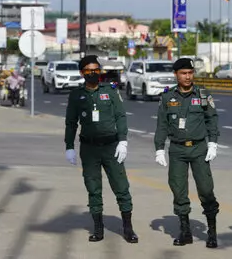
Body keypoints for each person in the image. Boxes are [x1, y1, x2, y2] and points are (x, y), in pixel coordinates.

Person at [64, 55, 138, 244]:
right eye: (89, 71)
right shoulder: (76, 95)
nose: (93, 73)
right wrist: (69, 146)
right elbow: (71, 123)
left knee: (121, 187)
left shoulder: (111, 91)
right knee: (93, 189)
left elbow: (121, 116)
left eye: (96, 70)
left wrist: (123, 141)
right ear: (82, 73)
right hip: (89, 149)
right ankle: (98, 228)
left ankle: (128, 228)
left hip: (111, 147)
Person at [154, 58, 220, 248]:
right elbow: (162, 125)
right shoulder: (167, 97)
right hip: (177, 149)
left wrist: (213, 143)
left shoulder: (202, 94)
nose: (188, 76)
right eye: (183, 73)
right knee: (178, 190)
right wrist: (159, 148)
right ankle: (185, 232)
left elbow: (212, 120)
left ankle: (212, 232)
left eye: (190, 72)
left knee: (206, 189)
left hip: (199, 148)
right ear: (176, 75)